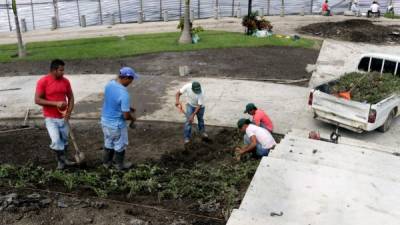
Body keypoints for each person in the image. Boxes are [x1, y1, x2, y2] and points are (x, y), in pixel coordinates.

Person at [35, 59, 75, 170]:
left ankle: (65, 159)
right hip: (50, 118)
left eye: (63, 70)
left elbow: (71, 97)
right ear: (54, 70)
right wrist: (55, 103)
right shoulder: (43, 82)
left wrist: (69, 112)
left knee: (65, 140)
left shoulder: (65, 81)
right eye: (61, 70)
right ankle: (61, 162)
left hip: (63, 117)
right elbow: (37, 100)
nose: (63, 72)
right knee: (56, 141)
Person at [101, 67, 138, 170]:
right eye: (131, 79)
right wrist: (133, 119)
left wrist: (128, 107)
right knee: (120, 144)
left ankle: (106, 163)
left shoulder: (109, 85)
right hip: (116, 124)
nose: (131, 82)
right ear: (127, 78)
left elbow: (113, 100)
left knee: (108, 141)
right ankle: (119, 165)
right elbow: (126, 116)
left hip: (105, 121)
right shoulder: (124, 94)